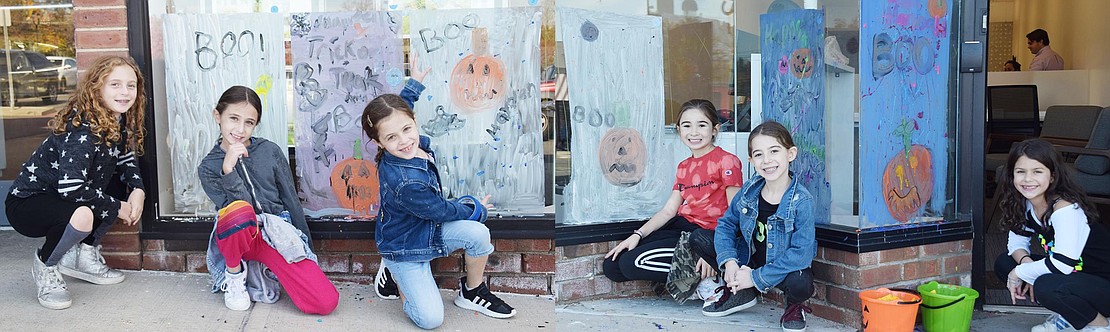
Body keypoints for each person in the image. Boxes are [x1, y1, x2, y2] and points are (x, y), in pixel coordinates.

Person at [362, 57, 516, 330]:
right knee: (430, 320)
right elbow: (442, 210)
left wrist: (414, 87)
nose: (404, 141)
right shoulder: (406, 183)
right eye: (392, 138)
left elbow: (397, 114)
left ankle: (472, 292)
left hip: (428, 229)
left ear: (413, 121)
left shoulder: (404, 137)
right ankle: (394, 271)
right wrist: (475, 208)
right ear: (379, 143)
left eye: (407, 129)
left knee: (478, 234)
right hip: (407, 247)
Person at [5, 55, 147, 310]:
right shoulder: (82, 127)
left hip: (65, 197)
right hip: (28, 204)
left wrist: (137, 190)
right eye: (115, 84)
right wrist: (119, 207)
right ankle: (47, 264)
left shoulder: (117, 117)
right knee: (83, 213)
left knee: (116, 183)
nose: (125, 92)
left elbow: (125, 156)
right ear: (97, 87)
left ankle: (82, 257)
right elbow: (71, 188)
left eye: (131, 85)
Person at [197, 85, 338, 315]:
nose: (240, 129)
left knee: (325, 301)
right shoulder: (208, 167)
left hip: (274, 231)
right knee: (239, 213)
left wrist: (306, 249)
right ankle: (234, 277)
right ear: (217, 116)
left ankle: (264, 272)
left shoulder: (269, 151)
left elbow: (291, 199)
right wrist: (228, 169)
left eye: (249, 122)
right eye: (233, 118)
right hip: (237, 237)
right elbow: (237, 211)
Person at [602, 99, 744, 309]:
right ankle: (692, 278)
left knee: (630, 265)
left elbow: (736, 214)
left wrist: (713, 253)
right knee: (612, 266)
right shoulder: (684, 166)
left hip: (706, 235)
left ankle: (711, 281)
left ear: (715, 130)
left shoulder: (727, 161)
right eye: (687, 125)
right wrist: (636, 235)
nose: (693, 132)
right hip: (682, 227)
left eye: (701, 125)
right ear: (678, 130)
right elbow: (669, 210)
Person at [993, 139, 1110, 332]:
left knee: (1046, 285)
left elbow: (1062, 264)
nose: (1027, 179)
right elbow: (1016, 243)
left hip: (1103, 284)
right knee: (1004, 263)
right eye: (1021, 171)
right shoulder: (1025, 203)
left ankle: (1100, 325)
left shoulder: (1065, 209)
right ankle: (1071, 315)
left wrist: (1021, 273)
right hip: (1076, 278)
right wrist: (1026, 266)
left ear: (1052, 176)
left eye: (1037, 171)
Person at [713, 121, 816, 332]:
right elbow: (725, 225)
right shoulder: (750, 190)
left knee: (801, 282)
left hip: (780, 267)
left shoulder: (801, 200)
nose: (767, 161)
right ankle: (742, 292)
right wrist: (730, 262)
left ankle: (793, 306)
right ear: (751, 160)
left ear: (791, 153)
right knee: (700, 238)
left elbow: (801, 254)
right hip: (748, 259)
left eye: (774, 151)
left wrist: (755, 277)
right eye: (758, 154)